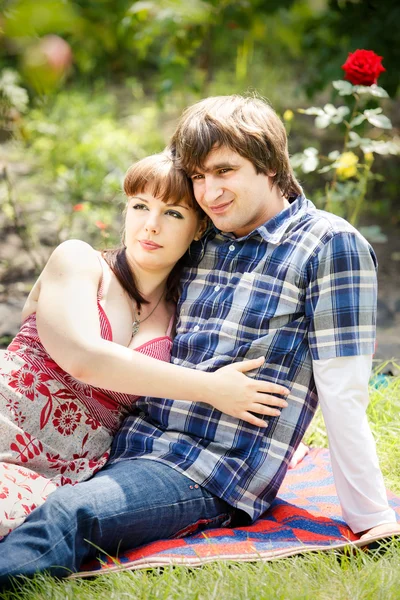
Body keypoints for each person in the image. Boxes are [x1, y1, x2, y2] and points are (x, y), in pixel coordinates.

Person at [0, 95, 399, 582]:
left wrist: (371, 516)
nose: (208, 192)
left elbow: (344, 386)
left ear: (270, 165)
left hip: (206, 468)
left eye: (224, 171)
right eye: (198, 176)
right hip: (122, 446)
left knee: (68, 514)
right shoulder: (205, 238)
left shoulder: (328, 245)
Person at [0, 151, 289, 538]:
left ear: (199, 228)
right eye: (140, 206)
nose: (150, 226)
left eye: (173, 213)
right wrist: (212, 389)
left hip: (63, 470)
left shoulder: (184, 317)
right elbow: (83, 358)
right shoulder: (80, 263)